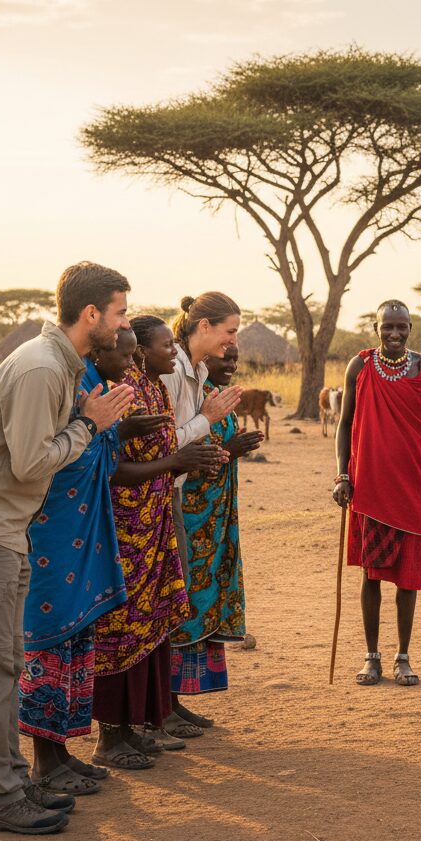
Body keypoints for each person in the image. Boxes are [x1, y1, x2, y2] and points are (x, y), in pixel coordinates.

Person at [0, 261, 134, 834]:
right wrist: (89, 425)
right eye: (118, 314)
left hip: (2, 530)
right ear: (91, 314)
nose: (122, 327)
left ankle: (14, 781)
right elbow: (30, 463)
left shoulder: (60, 365)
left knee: (8, 661)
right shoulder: (44, 369)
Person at [18, 328, 172, 795]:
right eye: (124, 355)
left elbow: (96, 454)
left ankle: (61, 753)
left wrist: (117, 430)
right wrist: (105, 430)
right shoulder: (66, 381)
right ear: (98, 348)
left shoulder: (94, 386)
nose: (130, 365)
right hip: (53, 532)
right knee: (49, 642)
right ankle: (44, 762)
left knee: (74, 642)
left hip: (80, 533)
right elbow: (52, 457)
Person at [91, 317, 225, 770]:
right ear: (141, 352)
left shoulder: (158, 388)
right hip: (126, 528)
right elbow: (112, 467)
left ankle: (141, 724)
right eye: (167, 345)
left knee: (153, 622)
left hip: (155, 522)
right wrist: (176, 460)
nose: (174, 351)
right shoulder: (124, 390)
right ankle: (110, 736)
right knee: (121, 627)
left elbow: (164, 451)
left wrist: (186, 460)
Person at [332, 300, 421, 688]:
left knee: (408, 578)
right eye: (387, 327)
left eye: (402, 327)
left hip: (416, 489)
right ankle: (371, 656)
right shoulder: (360, 366)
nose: (394, 334)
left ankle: (402, 656)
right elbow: (344, 424)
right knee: (371, 574)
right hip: (371, 487)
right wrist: (342, 475)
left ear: (411, 328)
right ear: (376, 327)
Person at [160, 293, 243, 737]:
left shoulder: (196, 371)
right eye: (229, 331)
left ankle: (169, 705)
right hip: (166, 497)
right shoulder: (172, 369)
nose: (233, 341)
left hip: (175, 496)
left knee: (179, 598)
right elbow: (164, 444)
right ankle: (160, 708)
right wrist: (208, 419)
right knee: (170, 602)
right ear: (205, 326)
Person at [171, 344, 263, 704]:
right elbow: (182, 458)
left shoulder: (216, 397)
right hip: (192, 519)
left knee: (205, 600)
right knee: (184, 600)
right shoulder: (195, 399)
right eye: (225, 358)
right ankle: (168, 702)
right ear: (204, 359)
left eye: (236, 358)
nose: (233, 364)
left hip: (216, 519)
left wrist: (234, 447)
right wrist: (232, 449)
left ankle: (181, 698)